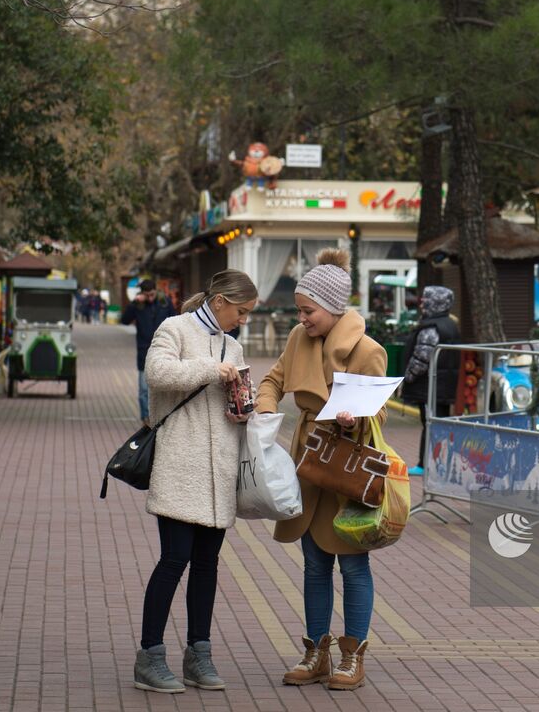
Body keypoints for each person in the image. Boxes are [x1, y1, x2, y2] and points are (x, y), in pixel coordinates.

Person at [256, 248, 387, 692]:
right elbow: (273, 379)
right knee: (313, 562)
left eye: (308, 310)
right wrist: (265, 408)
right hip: (308, 460)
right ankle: (316, 652)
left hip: (346, 465)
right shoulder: (297, 339)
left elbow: (379, 416)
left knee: (352, 565)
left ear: (332, 308)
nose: (302, 318)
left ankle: (352, 656)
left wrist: (356, 418)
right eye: (300, 310)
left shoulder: (368, 350)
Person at [134, 269, 258, 694]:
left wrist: (243, 408)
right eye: (240, 311)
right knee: (174, 559)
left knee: (207, 564)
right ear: (220, 301)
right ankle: (150, 655)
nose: (242, 319)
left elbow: (236, 398)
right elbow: (158, 374)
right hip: (179, 466)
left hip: (218, 471)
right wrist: (212, 368)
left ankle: (198, 654)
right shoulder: (174, 328)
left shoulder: (234, 344)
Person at [399, 285, 460, 476]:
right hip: (441, 385)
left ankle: (427, 465)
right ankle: (435, 464)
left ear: (436, 303)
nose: (422, 303)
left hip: (430, 386)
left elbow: (422, 357)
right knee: (435, 423)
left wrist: (407, 377)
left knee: (431, 423)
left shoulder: (432, 327)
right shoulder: (448, 324)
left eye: (426, 300)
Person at [121, 279, 175, 427]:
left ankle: (161, 417)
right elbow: (124, 320)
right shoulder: (138, 305)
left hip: (164, 349)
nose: (150, 298)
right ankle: (146, 419)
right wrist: (133, 303)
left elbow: (175, 320)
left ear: (156, 291)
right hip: (144, 350)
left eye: (152, 294)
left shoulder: (165, 302)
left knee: (162, 385)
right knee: (144, 388)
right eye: (147, 295)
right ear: (142, 294)